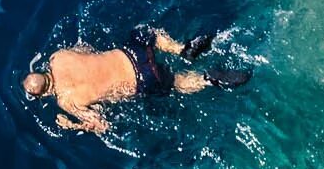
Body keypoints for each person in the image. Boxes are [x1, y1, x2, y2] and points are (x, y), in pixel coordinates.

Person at [23, 27, 247, 134]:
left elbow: (101, 125)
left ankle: (208, 79)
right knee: (145, 32)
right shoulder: (58, 57)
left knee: (175, 82)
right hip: (131, 54)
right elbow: (87, 50)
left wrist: (71, 125)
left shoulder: (67, 101)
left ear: (42, 94)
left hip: (141, 80)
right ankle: (182, 49)